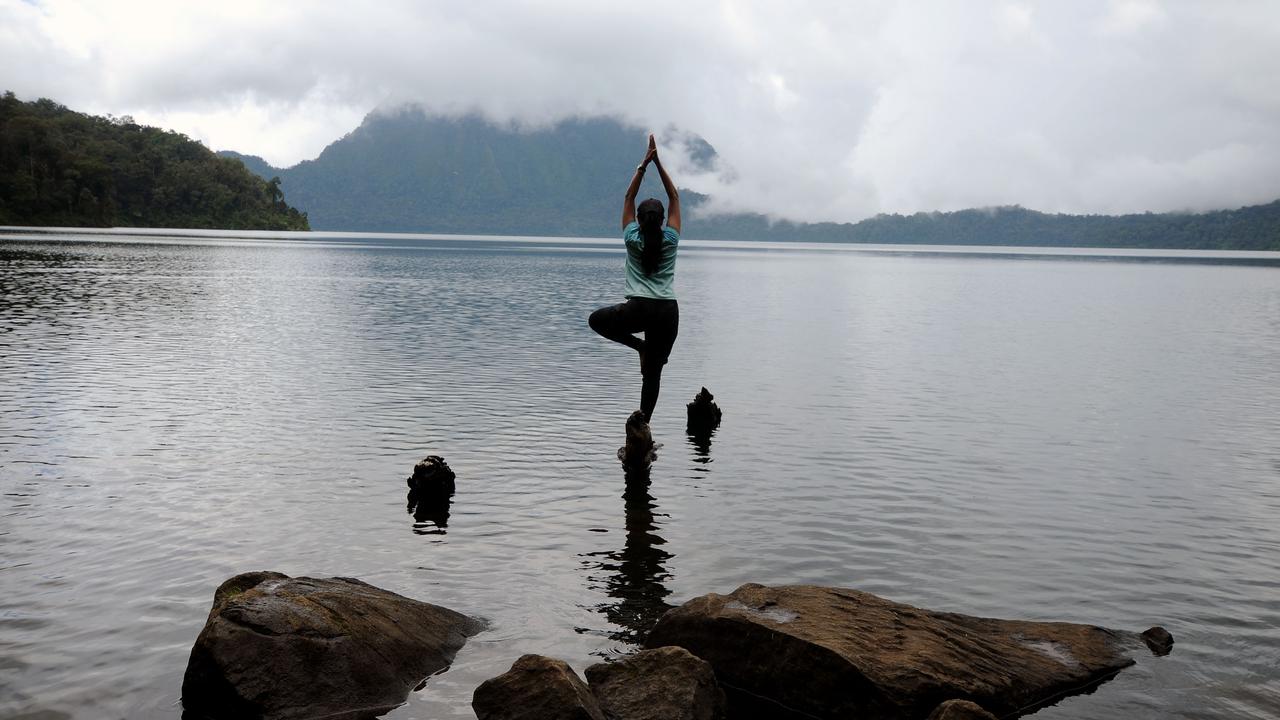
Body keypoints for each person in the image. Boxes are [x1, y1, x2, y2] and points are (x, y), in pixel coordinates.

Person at [589, 134, 682, 424]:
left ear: (639, 220)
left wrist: (644, 164)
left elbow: (628, 198)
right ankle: (644, 424)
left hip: (639, 309)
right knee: (653, 373)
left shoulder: (632, 239)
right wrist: (659, 163)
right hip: (667, 312)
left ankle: (639, 348)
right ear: (663, 219)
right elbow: (675, 197)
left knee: (596, 320)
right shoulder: (671, 239)